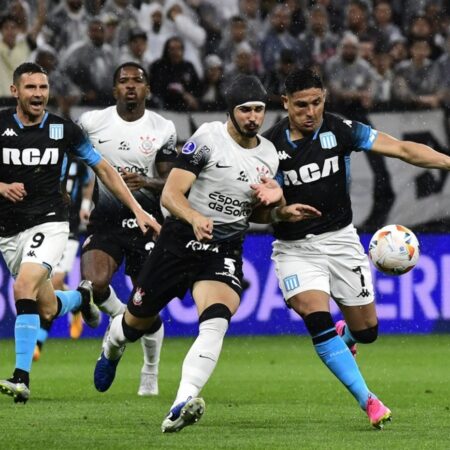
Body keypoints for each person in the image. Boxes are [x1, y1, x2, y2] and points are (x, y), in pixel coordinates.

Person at [91, 75, 319, 432]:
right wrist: (195, 217)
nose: (254, 117)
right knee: (135, 323)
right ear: (231, 110)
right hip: (178, 240)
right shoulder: (208, 139)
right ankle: (113, 346)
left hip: (223, 247)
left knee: (216, 320)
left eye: (259, 110)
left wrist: (279, 211)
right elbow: (170, 195)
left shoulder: (269, 156)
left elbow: (255, 212)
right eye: (246, 110)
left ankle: (181, 402)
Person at [259, 68, 450, 429]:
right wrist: (279, 210)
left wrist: (447, 161)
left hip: (342, 240)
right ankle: (370, 401)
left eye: (317, 102)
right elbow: (256, 210)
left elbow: (403, 149)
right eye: (301, 105)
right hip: (295, 248)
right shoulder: (269, 148)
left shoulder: (340, 129)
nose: (310, 112)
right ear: (285, 103)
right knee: (317, 319)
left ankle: (349, 334)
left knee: (368, 332)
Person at [0, 62, 160, 404]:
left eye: (43, 88)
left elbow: (104, 168)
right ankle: (82, 299)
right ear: (15, 91)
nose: (39, 95)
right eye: (31, 88)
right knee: (44, 307)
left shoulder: (63, 131)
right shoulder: (0, 125)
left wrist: (138, 209)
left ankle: (21, 378)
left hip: (49, 222)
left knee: (23, 287)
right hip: (7, 232)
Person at [78, 62, 177, 396]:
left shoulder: (163, 127)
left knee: (147, 308)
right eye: (124, 81)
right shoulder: (92, 123)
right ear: (114, 89)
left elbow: (173, 182)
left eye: (138, 81)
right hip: (105, 220)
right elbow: (74, 162)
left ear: (147, 89)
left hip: (146, 223)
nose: (131, 86)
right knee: (95, 283)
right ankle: (120, 319)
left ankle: (150, 372)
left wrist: (147, 181)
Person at [33, 158, 94, 362]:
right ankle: (77, 305)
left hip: (71, 227)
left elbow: (89, 181)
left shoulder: (77, 157)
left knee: (56, 281)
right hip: (47, 225)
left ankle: (38, 344)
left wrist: (86, 205)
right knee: (43, 284)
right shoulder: (46, 154)